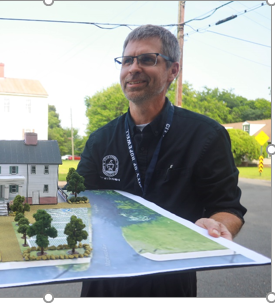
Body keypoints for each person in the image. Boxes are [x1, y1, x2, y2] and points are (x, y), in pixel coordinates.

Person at [77, 24, 247, 297]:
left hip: (170, 283)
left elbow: (228, 208)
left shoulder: (206, 136)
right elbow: (80, 203)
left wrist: (217, 226)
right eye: (127, 60)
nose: (133, 68)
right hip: (105, 280)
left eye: (147, 59)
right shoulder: (100, 140)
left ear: (173, 71)